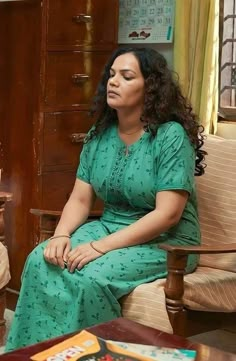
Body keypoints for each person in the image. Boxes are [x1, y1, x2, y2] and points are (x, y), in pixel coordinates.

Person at [6, 47, 206, 351]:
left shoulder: (170, 136)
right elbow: (80, 199)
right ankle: (36, 355)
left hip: (166, 241)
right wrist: (62, 234)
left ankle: (92, 356)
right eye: (112, 75)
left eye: (126, 77)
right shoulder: (99, 134)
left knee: (89, 276)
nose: (114, 82)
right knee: (40, 259)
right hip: (110, 224)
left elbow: (167, 215)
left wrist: (100, 247)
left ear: (149, 87)